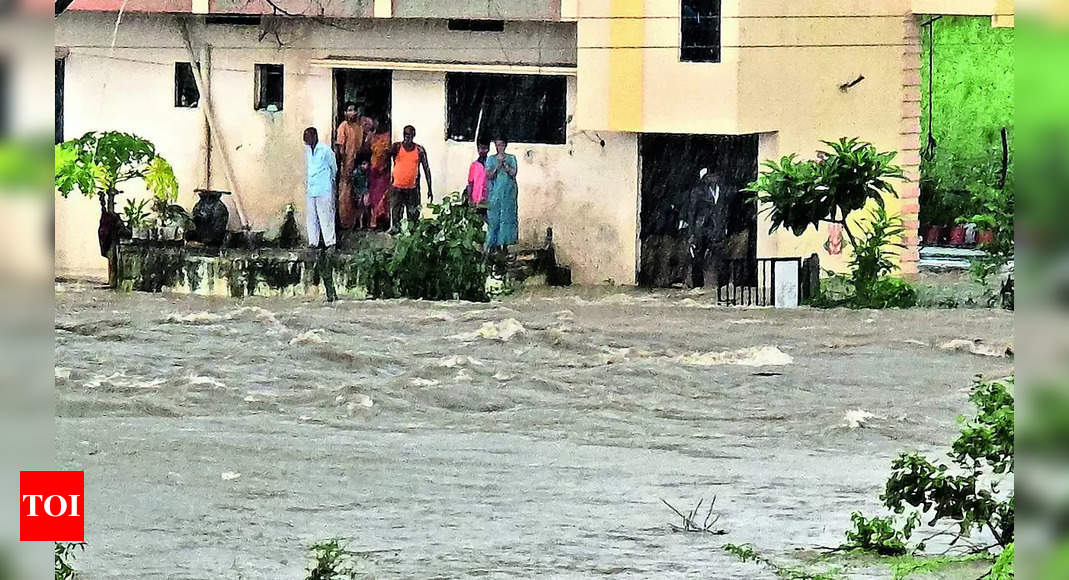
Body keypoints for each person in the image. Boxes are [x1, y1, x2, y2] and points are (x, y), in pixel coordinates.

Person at [304, 126, 338, 301]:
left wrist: (331, 183)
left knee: (326, 217)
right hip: (312, 189)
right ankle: (314, 241)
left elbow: (334, 168)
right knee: (312, 218)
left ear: (315, 136)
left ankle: (330, 242)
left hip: (324, 188)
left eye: (308, 138)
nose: (306, 141)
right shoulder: (307, 151)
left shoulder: (325, 150)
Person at [686, 168, 733, 289]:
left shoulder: (723, 191)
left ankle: (723, 286)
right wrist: (692, 233)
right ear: (705, 179)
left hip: (717, 230)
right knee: (698, 258)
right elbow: (692, 212)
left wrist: (725, 226)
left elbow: (725, 211)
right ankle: (697, 285)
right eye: (709, 177)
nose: (712, 179)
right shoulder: (697, 192)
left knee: (721, 258)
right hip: (701, 230)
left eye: (714, 176)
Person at [388, 125, 432, 233]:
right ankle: (395, 236)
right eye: (406, 135)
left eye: (410, 135)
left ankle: (412, 238)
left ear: (413, 136)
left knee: (413, 216)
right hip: (397, 187)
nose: (407, 137)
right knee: (396, 214)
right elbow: (384, 158)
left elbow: (426, 169)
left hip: (412, 189)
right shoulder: (396, 147)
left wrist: (430, 188)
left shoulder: (419, 150)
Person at [334, 102, 366, 230]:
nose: (353, 113)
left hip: (357, 165)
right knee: (345, 195)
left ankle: (356, 223)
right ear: (345, 113)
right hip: (346, 165)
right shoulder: (343, 127)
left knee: (358, 195)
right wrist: (343, 165)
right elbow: (340, 148)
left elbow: (361, 147)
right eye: (350, 110)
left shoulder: (359, 127)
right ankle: (344, 223)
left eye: (354, 110)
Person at [484, 138, 518, 252]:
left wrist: (506, 164)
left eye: (501, 145)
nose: (500, 147)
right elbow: (488, 175)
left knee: (507, 218)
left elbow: (514, 173)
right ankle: (494, 245)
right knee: (494, 219)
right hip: (495, 194)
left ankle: (505, 244)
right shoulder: (491, 159)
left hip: (508, 194)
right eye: (497, 145)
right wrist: (497, 166)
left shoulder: (511, 158)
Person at [367, 118, 392, 230]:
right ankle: (374, 222)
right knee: (374, 198)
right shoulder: (372, 137)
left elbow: (388, 153)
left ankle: (383, 221)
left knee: (383, 197)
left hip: (383, 171)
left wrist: (384, 166)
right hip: (374, 171)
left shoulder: (388, 137)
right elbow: (366, 150)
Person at [464, 141, 490, 222]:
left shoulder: (491, 164)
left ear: (488, 149)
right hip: (476, 199)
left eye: (485, 148)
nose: (482, 151)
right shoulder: (474, 165)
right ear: (478, 150)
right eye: (481, 148)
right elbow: (470, 183)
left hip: (488, 199)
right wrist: (470, 199)